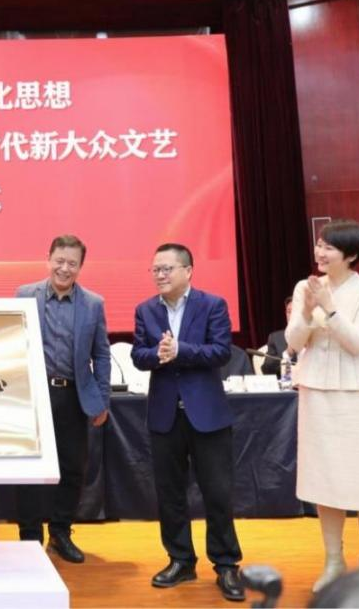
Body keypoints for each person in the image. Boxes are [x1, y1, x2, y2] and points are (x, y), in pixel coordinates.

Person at [130, 243, 244, 602]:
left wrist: (181, 350)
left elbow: (221, 351)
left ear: (188, 271)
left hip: (207, 415)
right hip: (165, 415)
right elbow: (138, 355)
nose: (160, 275)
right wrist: (158, 354)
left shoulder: (212, 305)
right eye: (155, 270)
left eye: (167, 269)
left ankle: (226, 564)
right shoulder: (145, 310)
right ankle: (180, 559)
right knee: (170, 493)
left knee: (217, 492)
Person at [285, 219, 359, 593]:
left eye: (328, 247)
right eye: (319, 244)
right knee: (325, 481)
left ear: (351, 255)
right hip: (317, 391)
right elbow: (294, 342)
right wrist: (306, 314)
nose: (320, 252)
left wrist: (329, 309)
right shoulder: (305, 287)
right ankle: (333, 560)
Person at [14, 235, 111, 563]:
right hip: (33, 396)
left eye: (72, 263)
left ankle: (60, 532)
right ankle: (29, 536)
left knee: (72, 468)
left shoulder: (93, 304)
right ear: (48, 259)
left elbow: (101, 355)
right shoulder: (24, 295)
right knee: (29, 470)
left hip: (73, 396)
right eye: (59, 261)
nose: (65, 268)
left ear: (80, 267)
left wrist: (102, 399)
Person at [261, 297, 295, 376]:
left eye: (295, 311)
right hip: (287, 382)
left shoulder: (316, 336)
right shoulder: (276, 338)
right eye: (289, 312)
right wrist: (286, 355)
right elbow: (267, 370)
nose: (292, 316)